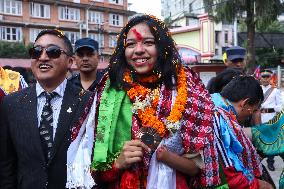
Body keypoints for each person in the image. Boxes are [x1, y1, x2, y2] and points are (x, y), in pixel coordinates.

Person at [66, 14, 221, 189]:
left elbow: (197, 168)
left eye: (148, 42)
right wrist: (118, 163)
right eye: (131, 44)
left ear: (163, 47)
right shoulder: (110, 89)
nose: (138, 50)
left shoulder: (188, 88)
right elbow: (90, 165)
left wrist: (166, 156)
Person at [0, 29, 92, 189]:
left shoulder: (88, 102)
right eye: (36, 51)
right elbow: (6, 166)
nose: (43, 57)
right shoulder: (11, 103)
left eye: (53, 52)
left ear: (70, 62)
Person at [211, 76, 273, 189]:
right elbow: (226, 171)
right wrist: (258, 185)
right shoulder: (216, 116)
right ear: (245, 103)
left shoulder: (218, 107)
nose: (251, 115)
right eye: (253, 110)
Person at [259, 69, 283, 171]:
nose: (265, 79)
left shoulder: (275, 91)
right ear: (260, 78)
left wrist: (273, 109)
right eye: (263, 77)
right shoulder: (257, 89)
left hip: (271, 118)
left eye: (267, 77)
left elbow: (280, 106)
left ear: (270, 78)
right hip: (258, 118)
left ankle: (270, 162)